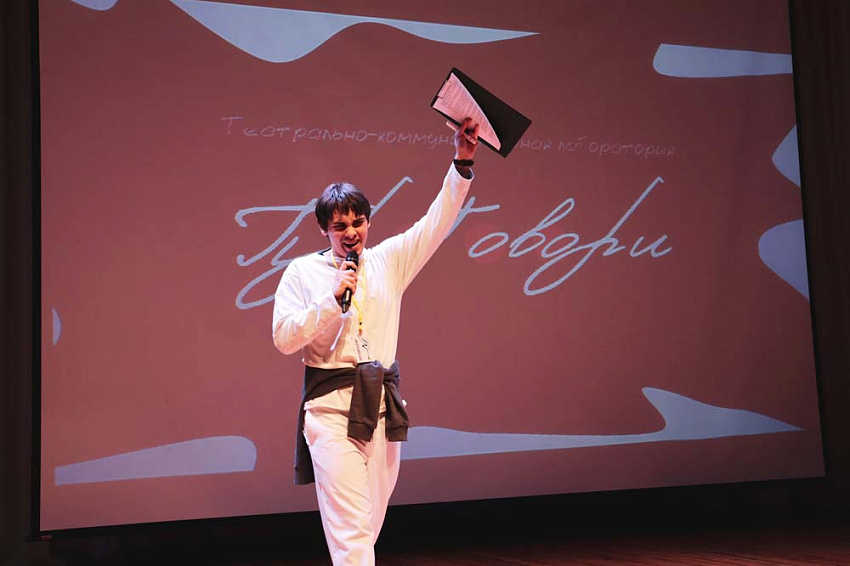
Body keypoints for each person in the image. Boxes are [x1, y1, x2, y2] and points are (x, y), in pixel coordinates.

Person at [272, 117, 480, 565]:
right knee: (351, 533)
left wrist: (461, 164)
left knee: (368, 526)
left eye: (359, 222)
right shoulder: (302, 272)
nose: (351, 233)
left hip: (382, 409)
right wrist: (331, 302)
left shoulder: (388, 261)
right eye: (340, 225)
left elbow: (435, 223)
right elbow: (284, 339)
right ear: (324, 229)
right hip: (330, 412)